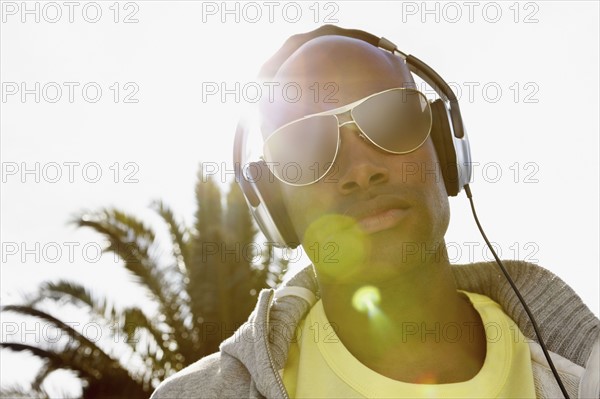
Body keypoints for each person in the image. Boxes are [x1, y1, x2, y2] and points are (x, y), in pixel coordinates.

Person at [151, 25, 599, 399]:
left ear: (445, 147)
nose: (360, 170)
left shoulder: (580, 375)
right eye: (304, 147)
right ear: (272, 200)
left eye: (391, 118)